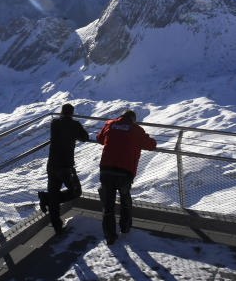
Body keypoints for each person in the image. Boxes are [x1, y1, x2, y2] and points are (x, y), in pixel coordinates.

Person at [96, 109, 157, 244]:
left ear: (121, 116)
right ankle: (125, 227)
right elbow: (150, 145)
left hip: (106, 170)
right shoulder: (136, 129)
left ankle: (110, 236)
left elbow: (100, 139)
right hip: (124, 172)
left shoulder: (109, 124)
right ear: (133, 119)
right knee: (125, 199)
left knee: (108, 204)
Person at [39, 103, 89, 233]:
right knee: (76, 191)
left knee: (54, 195)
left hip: (52, 165)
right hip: (66, 166)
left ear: (61, 112)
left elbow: (61, 126)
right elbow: (85, 138)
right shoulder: (75, 125)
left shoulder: (54, 123)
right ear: (72, 113)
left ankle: (57, 226)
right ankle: (47, 198)